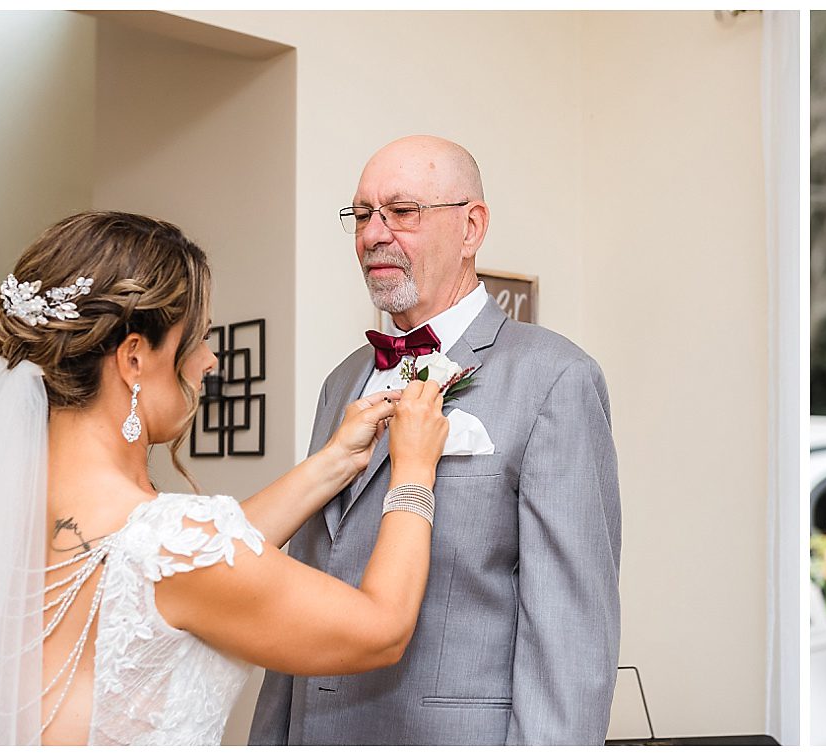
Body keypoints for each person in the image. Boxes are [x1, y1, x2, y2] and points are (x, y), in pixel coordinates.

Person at [0, 211, 452, 745]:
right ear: (132, 359)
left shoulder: (8, 513)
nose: (209, 360)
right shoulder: (170, 546)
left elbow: (192, 564)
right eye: (195, 338)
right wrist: (414, 469)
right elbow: (380, 629)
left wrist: (333, 462)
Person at [252, 135, 622, 745]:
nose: (373, 235)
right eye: (363, 214)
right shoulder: (341, 382)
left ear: (471, 228)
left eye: (401, 212)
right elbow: (312, 571)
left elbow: (569, 634)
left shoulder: (554, 378)